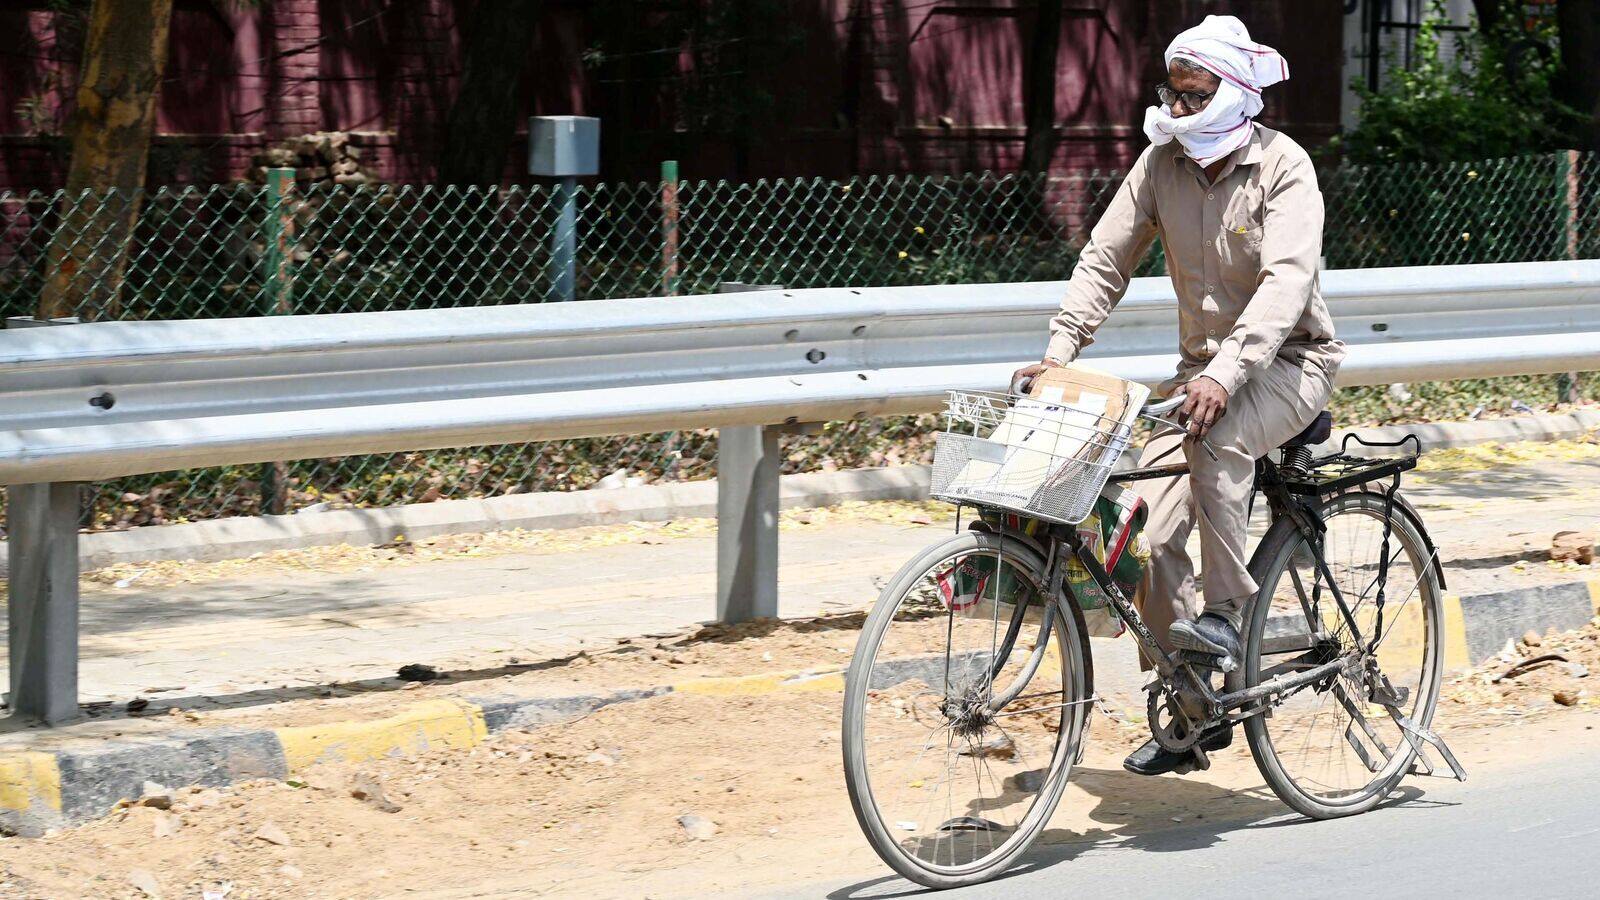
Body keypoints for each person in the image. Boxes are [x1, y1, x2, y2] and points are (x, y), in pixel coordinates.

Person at [1011, 15, 1346, 776]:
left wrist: (1226, 376)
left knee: (1217, 439)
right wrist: (1057, 352)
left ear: (1234, 94)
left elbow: (1286, 284)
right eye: (1175, 94)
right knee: (1147, 530)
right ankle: (1196, 710)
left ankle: (1227, 613)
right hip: (1199, 374)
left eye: (1197, 96)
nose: (1182, 109)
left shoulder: (1283, 167)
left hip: (1289, 363)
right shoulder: (1162, 164)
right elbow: (1106, 258)